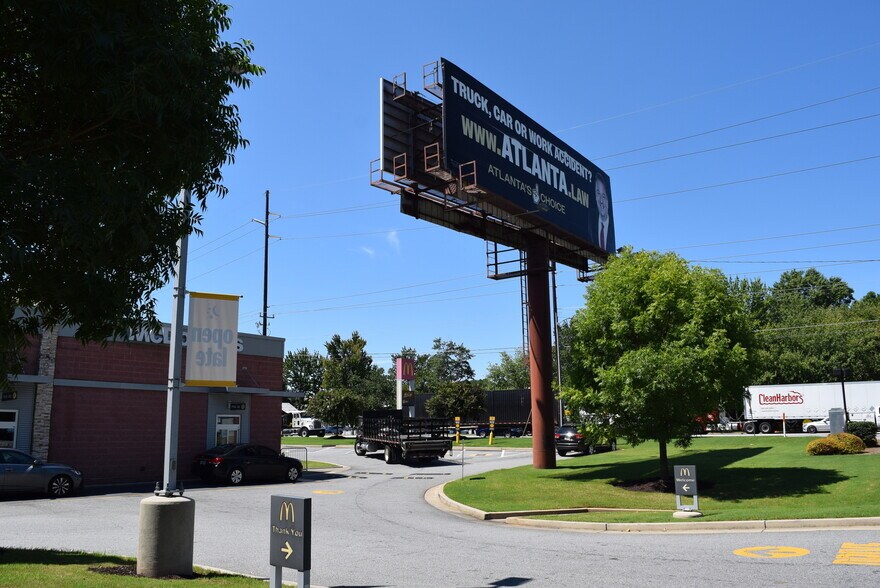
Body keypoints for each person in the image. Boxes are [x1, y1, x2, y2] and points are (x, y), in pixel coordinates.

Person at [595, 178, 610, 251]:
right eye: (598, 194)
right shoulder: (590, 226)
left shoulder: (611, 229)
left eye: (603, 196)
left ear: (608, 199)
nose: (601, 201)